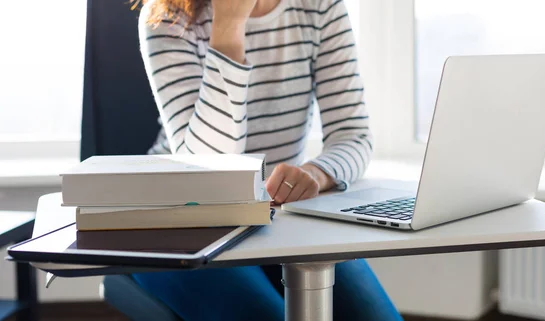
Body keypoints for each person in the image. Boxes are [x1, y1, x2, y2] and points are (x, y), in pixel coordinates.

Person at [132, 0, 403, 320]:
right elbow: (208, 170)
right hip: (180, 221)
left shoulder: (319, 7)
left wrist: (317, 174)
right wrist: (229, 28)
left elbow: (353, 135)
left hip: (276, 214)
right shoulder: (168, 17)